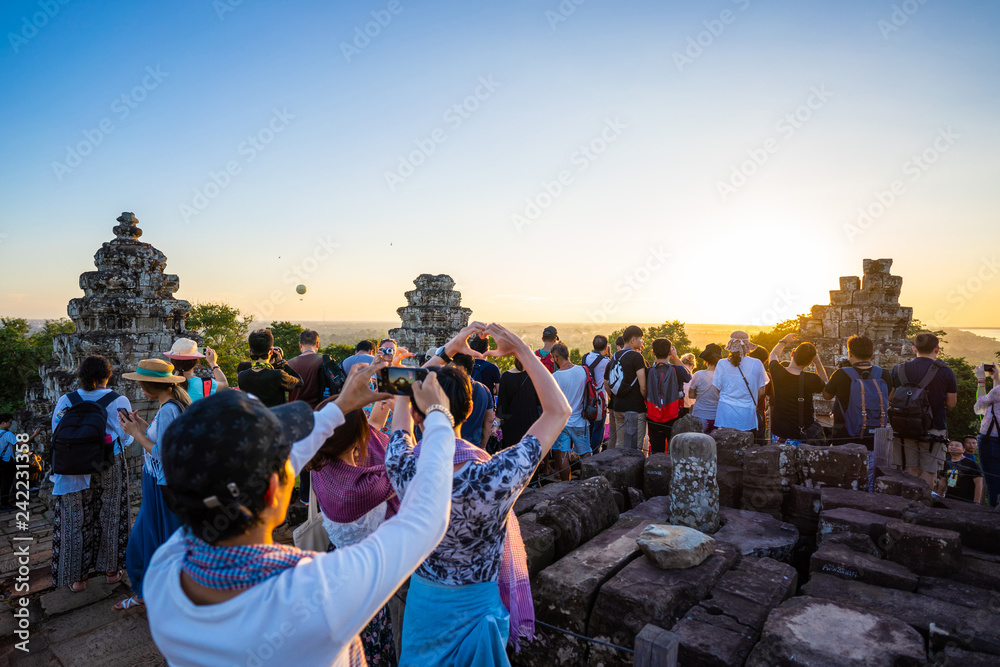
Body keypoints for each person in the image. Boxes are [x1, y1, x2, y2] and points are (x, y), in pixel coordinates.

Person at [143, 361, 458, 666]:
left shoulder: (164, 569)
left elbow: (249, 483)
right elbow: (425, 520)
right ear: (271, 489)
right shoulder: (314, 592)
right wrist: (440, 416)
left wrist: (341, 407)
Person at [385, 322, 571, 665]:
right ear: (469, 411)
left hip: (425, 608)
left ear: (414, 413)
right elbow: (559, 411)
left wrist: (448, 350)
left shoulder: (404, 469)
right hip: (478, 608)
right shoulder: (494, 477)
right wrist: (522, 350)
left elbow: (401, 386)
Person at [306, 403, 401, 665]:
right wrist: (401, 405)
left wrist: (370, 427)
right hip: (373, 577)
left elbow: (351, 450)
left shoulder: (320, 467)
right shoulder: (364, 487)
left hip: (339, 569)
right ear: (359, 438)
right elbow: (404, 464)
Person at [49, 356, 134, 592]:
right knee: (111, 514)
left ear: (80, 375)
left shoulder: (66, 400)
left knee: (75, 519)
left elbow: (56, 432)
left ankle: (78, 578)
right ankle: (110, 570)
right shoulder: (118, 400)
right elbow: (126, 436)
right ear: (109, 375)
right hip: (108, 463)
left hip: (71, 467)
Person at [115, 359, 191, 609]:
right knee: (154, 537)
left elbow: (163, 451)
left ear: (151, 385)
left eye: (141, 384)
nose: (140, 389)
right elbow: (160, 437)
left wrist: (134, 434)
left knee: (150, 539)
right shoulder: (170, 404)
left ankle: (150, 592)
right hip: (158, 480)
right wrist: (140, 426)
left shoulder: (169, 408)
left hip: (162, 483)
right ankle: (157, 590)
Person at [889, 333, 958, 487]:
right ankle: (923, 503)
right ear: (937, 349)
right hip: (934, 427)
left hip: (904, 427)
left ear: (914, 349)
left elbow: (890, 397)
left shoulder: (899, 369)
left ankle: (906, 502)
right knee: (928, 470)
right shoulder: (945, 371)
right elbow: (952, 403)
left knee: (908, 467)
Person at [768, 334, 828, 443]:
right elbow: (826, 385)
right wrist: (818, 362)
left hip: (780, 432)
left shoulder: (778, 372)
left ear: (792, 354)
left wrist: (784, 340)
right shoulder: (811, 379)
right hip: (803, 433)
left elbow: (773, 354)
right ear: (810, 362)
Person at [712, 331, 768, 433]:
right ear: (747, 346)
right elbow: (762, 391)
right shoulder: (757, 363)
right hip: (747, 414)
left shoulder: (721, 363)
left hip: (725, 413)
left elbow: (715, 388)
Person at [550, 343, 591, 479]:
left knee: (562, 454)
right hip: (580, 421)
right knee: (585, 454)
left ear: (556, 357)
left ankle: (565, 485)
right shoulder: (583, 371)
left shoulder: (555, 377)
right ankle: (588, 482)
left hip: (563, 423)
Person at [645, 338, 691, 454]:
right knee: (674, 450)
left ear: (653, 352)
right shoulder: (677, 370)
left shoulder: (648, 371)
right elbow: (688, 376)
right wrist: (675, 357)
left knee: (656, 450)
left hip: (653, 416)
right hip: (674, 415)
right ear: (670, 352)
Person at [606, 326, 647, 450]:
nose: (642, 342)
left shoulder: (614, 357)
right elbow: (643, 386)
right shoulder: (637, 357)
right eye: (641, 339)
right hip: (635, 407)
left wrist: (614, 396)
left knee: (620, 444)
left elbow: (606, 383)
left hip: (618, 406)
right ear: (633, 340)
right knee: (635, 447)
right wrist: (643, 399)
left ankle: (618, 469)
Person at [236, 329, 302, 407]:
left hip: (255, 418)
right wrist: (282, 363)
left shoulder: (242, 376)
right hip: (275, 418)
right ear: (271, 351)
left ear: (251, 352)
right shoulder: (278, 375)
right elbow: (299, 382)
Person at [452, 353, 495, 450]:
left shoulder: (450, 388)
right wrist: (483, 446)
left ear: (461, 368)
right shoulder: (484, 389)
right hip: (474, 447)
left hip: (451, 446)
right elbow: (488, 421)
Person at [164, 338, 228, 400]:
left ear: (172, 362)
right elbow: (224, 384)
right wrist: (213, 363)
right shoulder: (205, 384)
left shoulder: (167, 385)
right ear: (195, 362)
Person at [497, 358, 541, 449]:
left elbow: (502, 403)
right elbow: (539, 401)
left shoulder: (506, 376)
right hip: (531, 420)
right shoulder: (534, 375)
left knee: (512, 452)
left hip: (511, 421)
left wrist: (497, 423)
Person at [974, 362, 1000, 505]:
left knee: (994, 485)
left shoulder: (997, 392)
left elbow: (979, 408)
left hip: (991, 441)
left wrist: (981, 381)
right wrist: (996, 379)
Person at [1, 418, 41, 509]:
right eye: (9, 422)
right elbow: (22, 443)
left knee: (4, 482)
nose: (11, 424)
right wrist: (35, 434)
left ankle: (6, 501)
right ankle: (5, 504)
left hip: (1, 461)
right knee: (7, 483)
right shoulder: (8, 434)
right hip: (7, 461)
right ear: (3, 423)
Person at [582, 335, 611, 452]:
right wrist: (609, 354)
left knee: (589, 428)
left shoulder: (585, 358)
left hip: (587, 399)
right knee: (598, 429)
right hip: (600, 401)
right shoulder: (606, 361)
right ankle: (595, 454)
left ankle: (586, 453)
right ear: (605, 347)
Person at [287, 330, 327, 408]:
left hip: (294, 411)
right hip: (318, 411)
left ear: (300, 345)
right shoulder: (325, 361)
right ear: (317, 344)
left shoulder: (289, 364)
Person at [936, 439, 984, 503]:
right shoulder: (946, 462)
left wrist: (976, 501)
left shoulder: (971, 464)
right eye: (951, 445)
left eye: (957, 446)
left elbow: (979, 483)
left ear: (963, 450)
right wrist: (939, 495)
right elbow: (943, 480)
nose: (953, 447)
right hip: (949, 499)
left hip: (967, 500)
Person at [689, 344, 723, 432]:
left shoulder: (698, 375)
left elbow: (691, 395)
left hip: (700, 414)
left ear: (706, 360)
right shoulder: (723, 376)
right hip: (718, 417)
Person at [606, 335, 625, 446]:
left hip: (614, 403)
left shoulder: (612, 362)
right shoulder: (635, 359)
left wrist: (611, 395)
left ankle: (610, 459)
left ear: (618, 346)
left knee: (613, 435)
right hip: (630, 406)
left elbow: (605, 383)